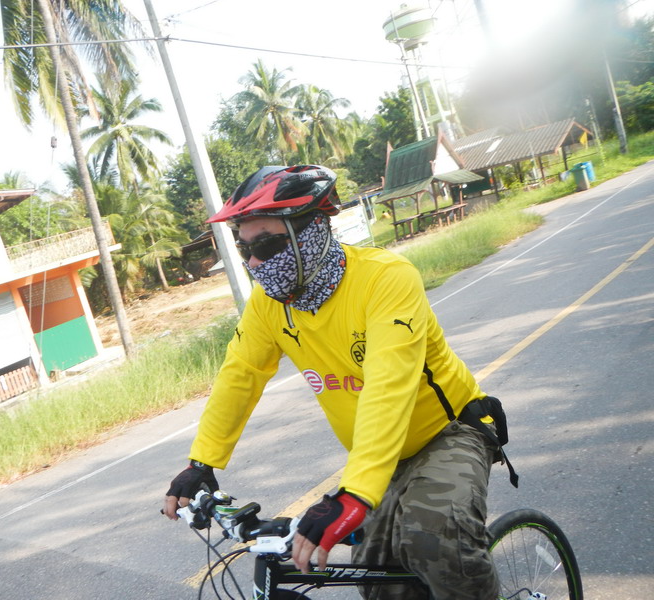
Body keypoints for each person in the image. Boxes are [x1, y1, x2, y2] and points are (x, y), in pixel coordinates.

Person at [162, 165, 516, 600]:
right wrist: (202, 463)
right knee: (378, 583)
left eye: (267, 245)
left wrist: (356, 494)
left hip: (448, 432)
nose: (254, 262)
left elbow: (389, 386)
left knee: (434, 540)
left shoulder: (385, 278)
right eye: (244, 249)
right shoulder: (268, 306)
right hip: (380, 453)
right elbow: (240, 376)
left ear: (311, 234)